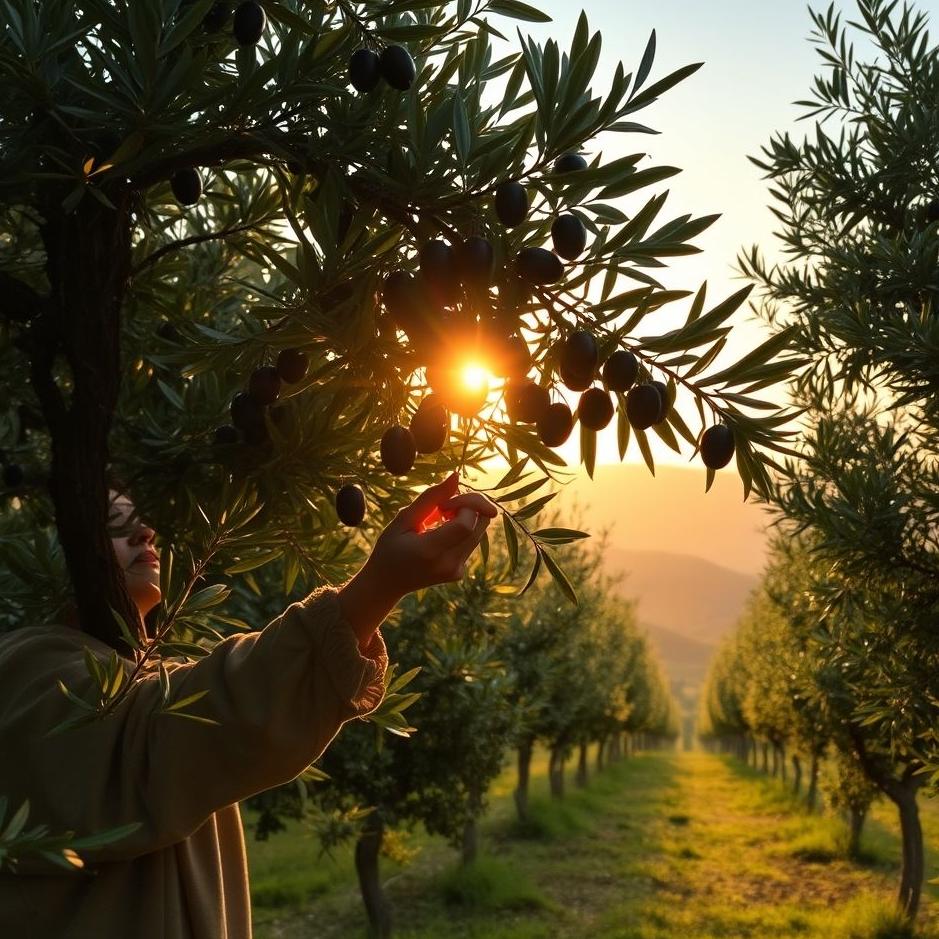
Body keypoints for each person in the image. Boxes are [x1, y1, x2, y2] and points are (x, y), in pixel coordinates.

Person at [0, 471, 496, 939]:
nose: (145, 533)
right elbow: (188, 724)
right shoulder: (27, 670)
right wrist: (377, 587)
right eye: (113, 525)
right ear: (45, 548)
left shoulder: (137, 675)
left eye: (140, 520)